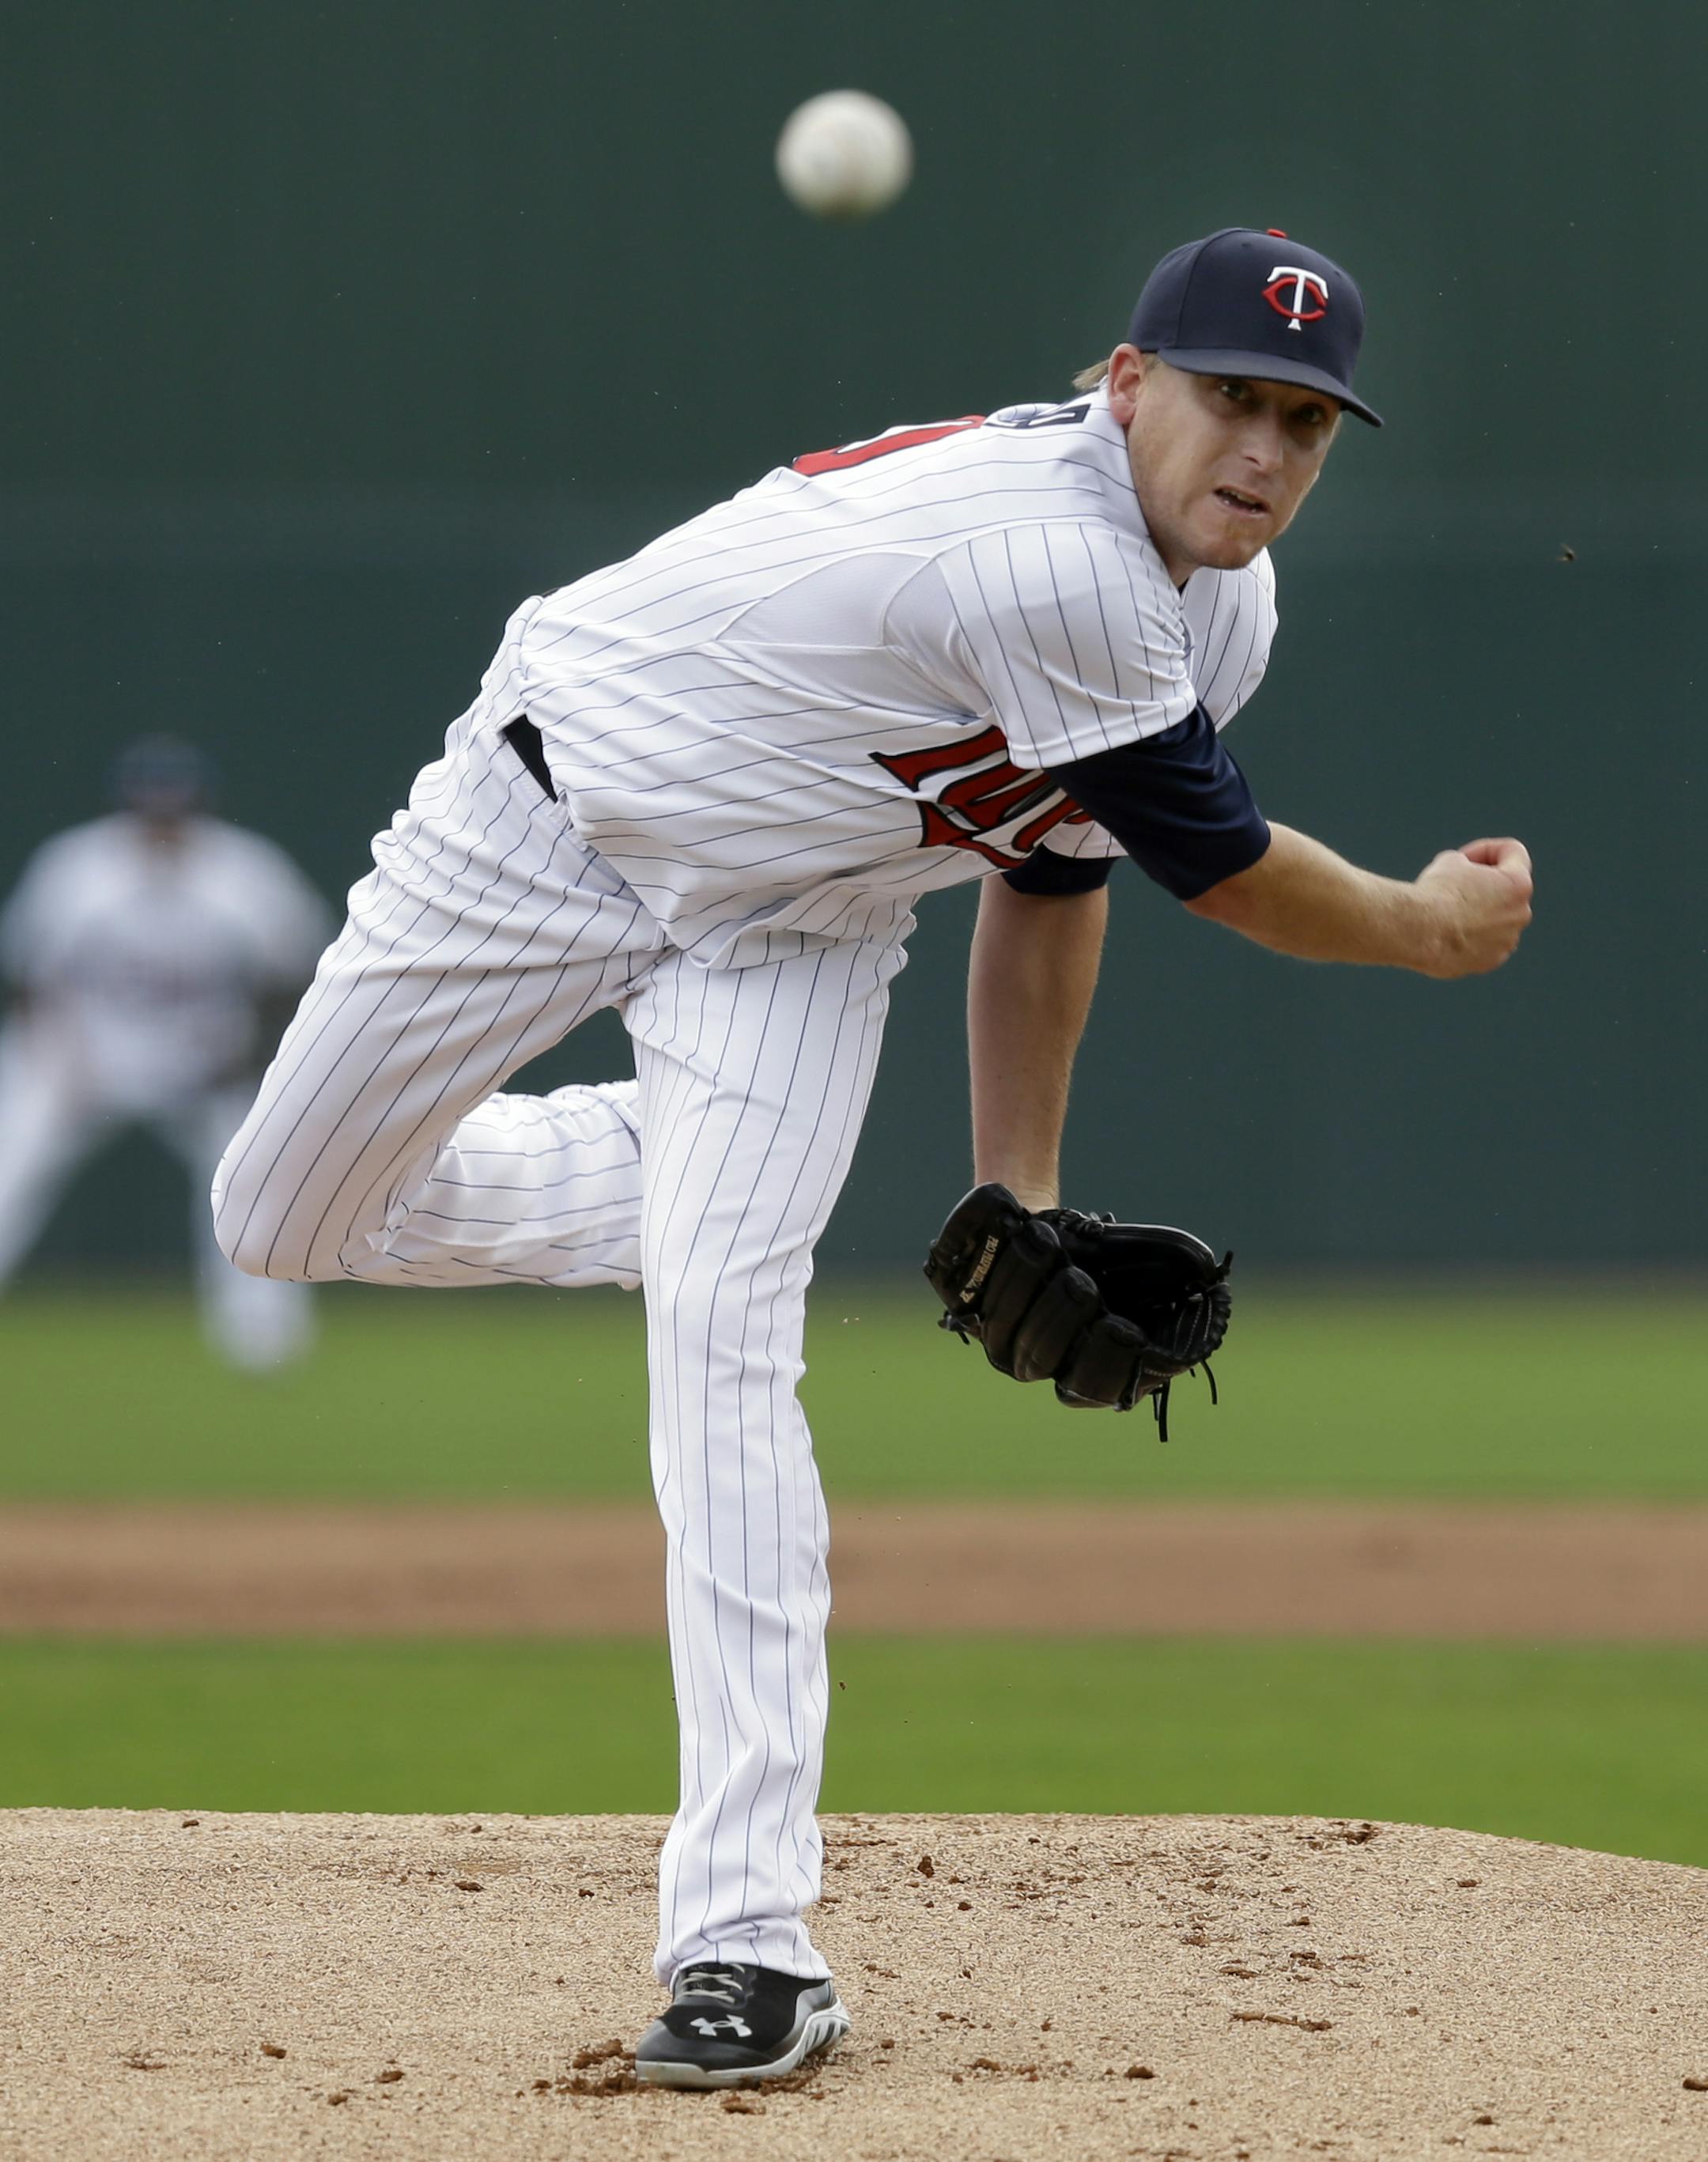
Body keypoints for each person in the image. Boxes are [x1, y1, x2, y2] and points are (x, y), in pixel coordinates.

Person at [211, 227, 1532, 2086]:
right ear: (1126, 382)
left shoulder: (1214, 614)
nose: (1268, 447)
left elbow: (1053, 873)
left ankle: (745, 1942)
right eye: (1236, 395)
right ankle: (682, 1186)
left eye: (1307, 420)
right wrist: (1411, 922)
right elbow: (1224, 879)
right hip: (553, 809)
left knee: (725, 1337)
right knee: (279, 1216)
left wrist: (1020, 1185)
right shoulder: (1046, 546)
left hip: (801, 922)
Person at [0, 737, 330, 1370]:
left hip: (204, 1065)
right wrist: (54, 1058)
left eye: (174, 808)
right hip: (84, 1061)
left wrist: (251, 1057)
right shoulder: (76, 868)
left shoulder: (246, 873)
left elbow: (298, 978)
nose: (162, 820)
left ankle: (263, 1341)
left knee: (254, 1182)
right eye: (151, 807)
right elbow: (29, 980)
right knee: (13, 1157)